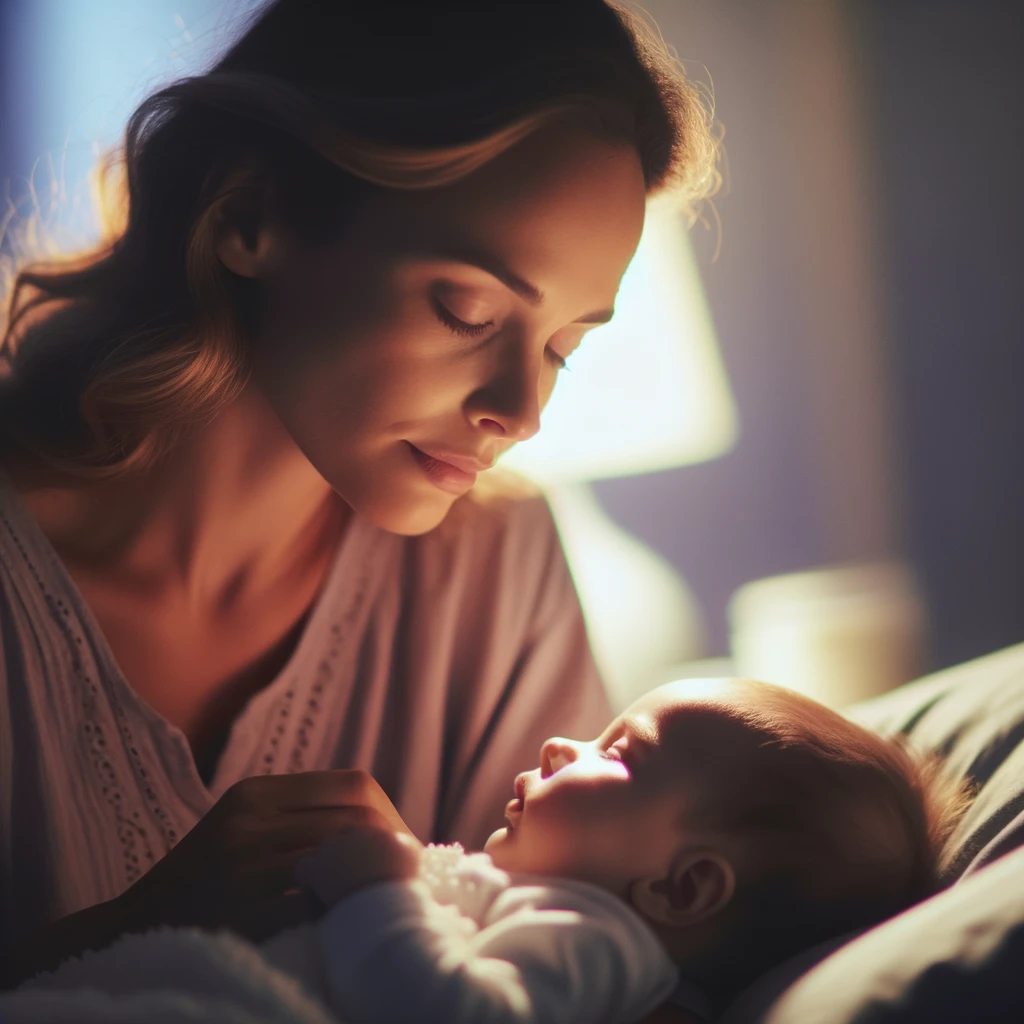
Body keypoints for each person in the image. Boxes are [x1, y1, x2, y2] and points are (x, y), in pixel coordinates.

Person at [0, 0, 720, 1005]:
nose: (521, 410)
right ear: (250, 216)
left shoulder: (498, 569)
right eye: (465, 308)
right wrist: (139, 927)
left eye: (565, 347)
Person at [281, 677, 971, 1021]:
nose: (560, 744)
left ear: (681, 889)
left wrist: (377, 892)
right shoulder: (565, 919)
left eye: (616, 751)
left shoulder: (597, 940)